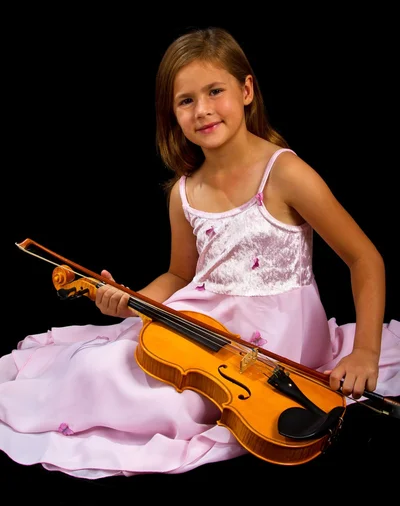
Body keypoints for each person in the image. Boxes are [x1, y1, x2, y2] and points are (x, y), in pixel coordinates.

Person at [1, 27, 399, 480]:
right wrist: (128, 299)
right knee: (102, 367)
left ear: (246, 90)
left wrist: (366, 352)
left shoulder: (285, 172)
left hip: (278, 335)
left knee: (171, 401)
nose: (203, 110)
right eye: (185, 100)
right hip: (201, 324)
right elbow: (177, 276)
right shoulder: (184, 192)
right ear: (171, 113)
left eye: (215, 91)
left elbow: (365, 259)